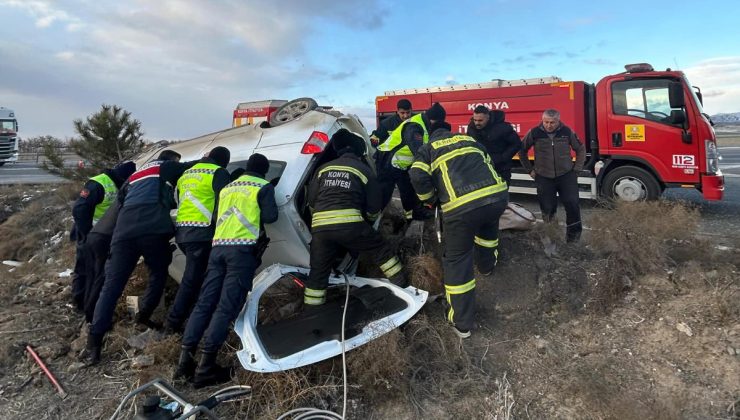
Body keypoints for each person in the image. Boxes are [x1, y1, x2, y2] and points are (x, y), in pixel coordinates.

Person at [83, 150, 196, 364]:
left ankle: (94, 345)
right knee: (158, 273)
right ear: (171, 159)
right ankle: (144, 316)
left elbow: (121, 201)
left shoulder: (133, 177)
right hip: (153, 228)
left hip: (123, 233)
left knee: (111, 287)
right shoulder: (166, 166)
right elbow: (196, 165)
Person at [176, 153, 278, 388]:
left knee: (204, 303)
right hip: (240, 252)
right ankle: (205, 368)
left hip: (218, 248)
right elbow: (272, 216)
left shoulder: (227, 187)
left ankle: (185, 363)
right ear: (263, 171)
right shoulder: (262, 186)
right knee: (226, 307)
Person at [409, 122, 508, 338]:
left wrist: (430, 199)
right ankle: (487, 267)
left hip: (461, 208)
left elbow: (416, 175)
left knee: (457, 259)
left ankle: (461, 323)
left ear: (432, 135)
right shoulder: (469, 139)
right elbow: (487, 161)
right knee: (487, 235)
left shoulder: (428, 148)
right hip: (496, 196)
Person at [303, 129, 407, 308]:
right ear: (359, 153)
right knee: (380, 250)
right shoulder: (363, 169)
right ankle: (404, 288)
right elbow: (374, 205)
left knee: (318, 272)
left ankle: (311, 312)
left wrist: (320, 221)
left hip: (321, 230)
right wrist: (367, 221)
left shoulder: (322, 169)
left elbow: (311, 201)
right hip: (351, 226)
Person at [164, 147, 232, 334]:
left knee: (200, 276)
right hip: (202, 233)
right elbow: (223, 204)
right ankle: (173, 323)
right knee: (192, 279)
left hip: (183, 232)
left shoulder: (187, 173)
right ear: (223, 161)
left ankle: (196, 316)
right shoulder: (218, 173)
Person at [70, 161, 136, 311]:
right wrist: (87, 233)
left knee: (91, 270)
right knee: (88, 270)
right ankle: (82, 304)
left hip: (98, 235)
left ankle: (82, 303)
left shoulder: (115, 183)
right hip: (89, 233)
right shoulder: (98, 183)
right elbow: (79, 209)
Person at [518, 109, 585, 242]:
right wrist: (530, 170)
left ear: (558, 121)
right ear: (542, 120)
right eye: (546, 122)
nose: (549, 125)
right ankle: (553, 239)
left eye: (552, 122)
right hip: (544, 177)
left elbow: (580, 149)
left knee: (572, 206)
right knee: (548, 210)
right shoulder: (534, 132)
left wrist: (576, 170)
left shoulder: (567, 131)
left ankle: (573, 241)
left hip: (566, 176)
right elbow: (521, 150)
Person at [375, 102, 447, 220]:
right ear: (433, 119)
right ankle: (374, 219)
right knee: (384, 194)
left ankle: (411, 215)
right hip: (388, 162)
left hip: (400, 164)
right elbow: (419, 152)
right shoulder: (415, 126)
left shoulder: (424, 124)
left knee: (408, 190)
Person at [466, 105, 521, 185]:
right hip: (481, 169)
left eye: (480, 120)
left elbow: (516, 144)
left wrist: (502, 158)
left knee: (502, 194)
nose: (477, 123)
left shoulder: (502, 128)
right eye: (475, 120)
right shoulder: (471, 128)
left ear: (488, 118)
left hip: (501, 169)